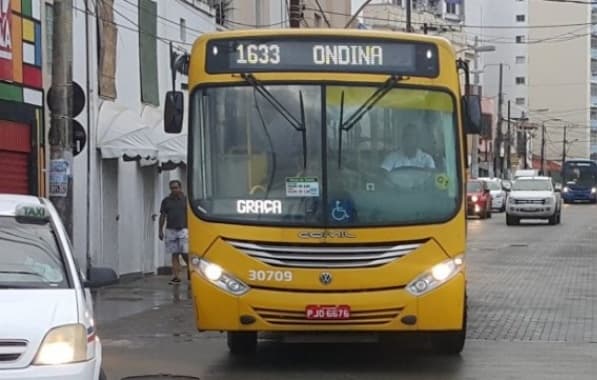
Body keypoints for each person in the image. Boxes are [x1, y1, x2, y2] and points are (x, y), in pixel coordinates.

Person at [159, 180, 189, 285]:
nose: (174, 190)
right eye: (172, 188)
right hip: (170, 229)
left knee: (185, 252)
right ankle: (176, 276)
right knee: (174, 253)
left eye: (176, 187)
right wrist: (160, 230)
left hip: (184, 229)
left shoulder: (186, 200)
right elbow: (162, 215)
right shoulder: (166, 201)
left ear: (180, 188)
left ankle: (190, 268)